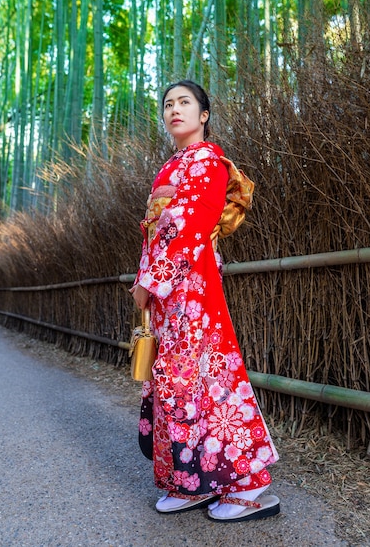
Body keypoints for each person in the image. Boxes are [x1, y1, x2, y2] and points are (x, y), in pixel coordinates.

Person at [130, 80, 279, 522]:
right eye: (168, 105)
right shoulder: (169, 166)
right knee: (175, 382)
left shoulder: (209, 162)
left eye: (185, 103)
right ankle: (190, 480)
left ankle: (251, 483)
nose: (175, 110)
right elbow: (155, 229)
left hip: (193, 286)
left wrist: (151, 278)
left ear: (204, 115)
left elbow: (189, 224)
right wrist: (147, 279)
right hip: (167, 294)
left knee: (208, 377)